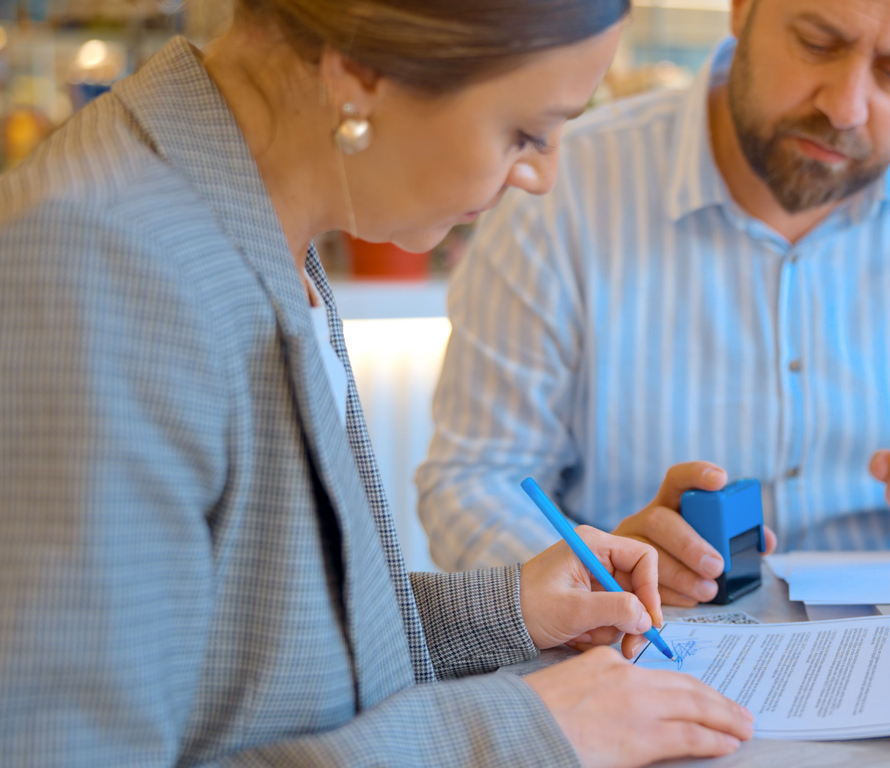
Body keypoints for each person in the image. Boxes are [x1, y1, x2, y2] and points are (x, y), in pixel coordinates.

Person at [0, 0, 754, 764]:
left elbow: (253, 653)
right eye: (524, 134)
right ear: (360, 73)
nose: (540, 177)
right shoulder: (99, 266)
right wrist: (516, 733)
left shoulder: (250, 203)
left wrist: (508, 611)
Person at [418, 0, 890, 606]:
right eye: (817, 43)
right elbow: (474, 481)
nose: (845, 106)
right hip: (647, 654)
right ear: (739, 9)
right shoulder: (561, 192)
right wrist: (595, 574)